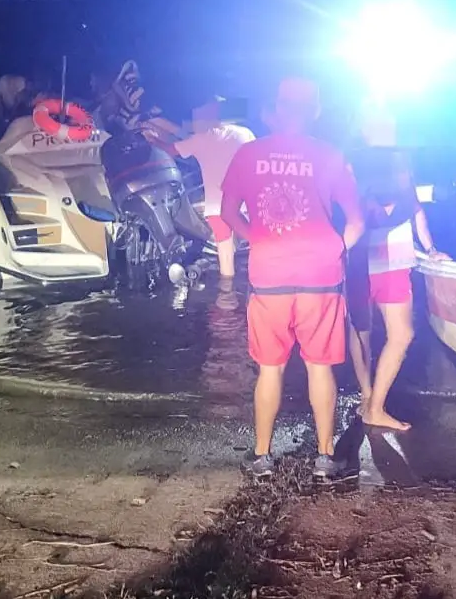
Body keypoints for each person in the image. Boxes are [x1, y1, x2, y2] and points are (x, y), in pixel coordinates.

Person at [220, 77, 365, 478]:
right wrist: (338, 248)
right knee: (320, 367)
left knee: (270, 368)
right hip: (321, 275)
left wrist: (257, 238)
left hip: (269, 275)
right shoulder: (330, 154)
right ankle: (325, 458)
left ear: (277, 109)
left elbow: (228, 213)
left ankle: (262, 457)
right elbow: (356, 221)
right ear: (315, 111)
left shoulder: (249, 154)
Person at [347, 140, 447, 431]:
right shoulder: (358, 177)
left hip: (395, 266)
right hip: (360, 268)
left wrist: (431, 249)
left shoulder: (404, 176)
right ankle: (367, 395)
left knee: (402, 335)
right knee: (361, 333)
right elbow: (351, 220)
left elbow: (417, 212)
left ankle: (375, 406)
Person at [147, 98, 256, 309]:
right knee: (255, 248)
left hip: (217, 207)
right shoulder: (245, 133)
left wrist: (151, 139)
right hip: (245, 204)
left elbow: (169, 150)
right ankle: (257, 290)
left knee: (226, 257)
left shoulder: (200, 139)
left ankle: (227, 299)